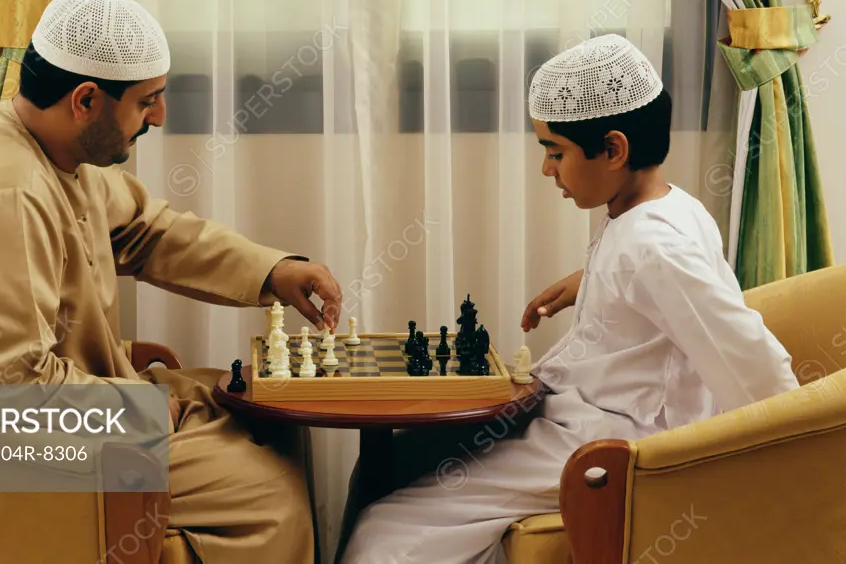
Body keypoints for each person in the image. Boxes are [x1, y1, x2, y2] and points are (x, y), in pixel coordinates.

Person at [0, 0, 342, 564]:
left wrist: (274, 270)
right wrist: (137, 408)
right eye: (147, 101)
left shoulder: (53, 149)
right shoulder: (7, 193)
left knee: (269, 418)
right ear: (85, 100)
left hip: (79, 397)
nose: (160, 116)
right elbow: (10, 384)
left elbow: (148, 231)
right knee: (269, 491)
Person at [338, 34, 799, 564]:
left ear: (614, 149)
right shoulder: (667, 208)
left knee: (384, 530)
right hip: (583, 416)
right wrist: (590, 279)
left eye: (555, 152)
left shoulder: (651, 248)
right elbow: (657, 278)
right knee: (401, 458)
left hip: (612, 445)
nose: (546, 169)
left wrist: (785, 470)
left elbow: (757, 368)